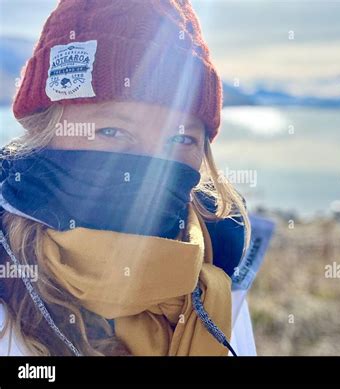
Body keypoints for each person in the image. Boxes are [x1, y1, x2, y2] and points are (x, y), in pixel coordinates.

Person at [0, 0, 255, 356]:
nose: (151, 165)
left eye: (180, 139)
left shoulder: (216, 284)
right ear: (42, 137)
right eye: (112, 131)